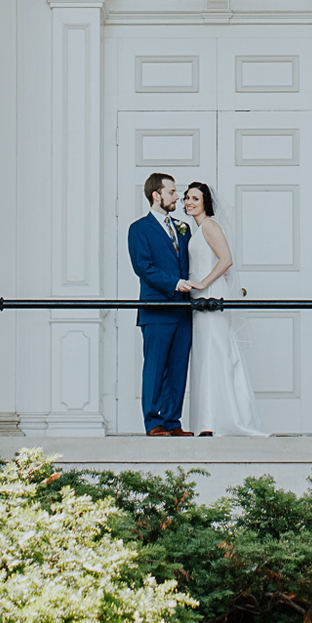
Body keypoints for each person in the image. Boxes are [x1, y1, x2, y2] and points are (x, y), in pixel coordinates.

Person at [176, 181, 269, 437]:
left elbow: (226, 259)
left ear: (206, 201)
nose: (189, 202)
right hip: (198, 299)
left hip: (210, 296)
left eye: (195, 198)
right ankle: (207, 421)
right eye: (186, 198)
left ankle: (216, 421)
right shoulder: (195, 230)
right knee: (206, 355)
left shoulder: (209, 226)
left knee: (215, 352)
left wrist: (204, 283)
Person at [126, 171, 193, 437]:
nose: (178, 197)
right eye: (172, 192)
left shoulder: (183, 228)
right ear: (156, 195)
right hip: (156, 310)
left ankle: (173, 421)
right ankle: (153, 422)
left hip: (184, 310)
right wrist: (175, 284)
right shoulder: (139, 229)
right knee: (154, 368)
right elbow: (143, 267)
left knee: (178, 368)